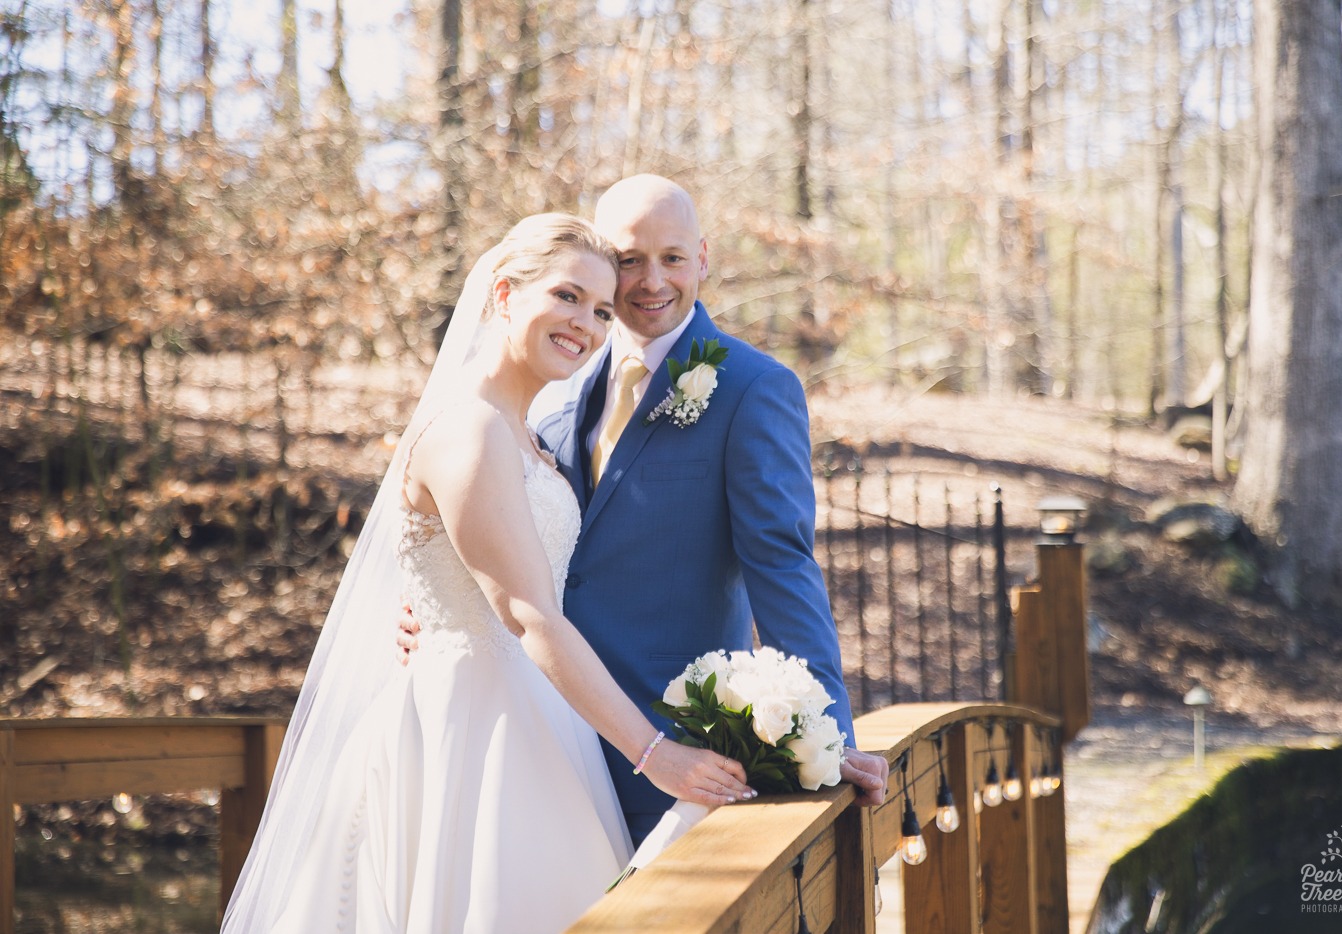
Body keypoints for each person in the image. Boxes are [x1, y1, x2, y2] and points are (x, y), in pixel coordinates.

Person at [221, 214, 754, 934]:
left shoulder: (533, 433)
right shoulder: (468, 428)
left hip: (541, 719)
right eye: (566, 297)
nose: (587, 325)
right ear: (504, 293)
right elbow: (528, 613)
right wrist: (656, 755)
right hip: (465, 737)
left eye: (601, 310)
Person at [400, 175, 888, 846]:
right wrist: (427, 608)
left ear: (704, 259)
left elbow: (783, 566)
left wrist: (828, 739)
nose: (651, 280)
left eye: (673, 258)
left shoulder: (754, 389)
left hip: (678, 750)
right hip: (535, 737)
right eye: (629, 260)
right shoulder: (552, 388)